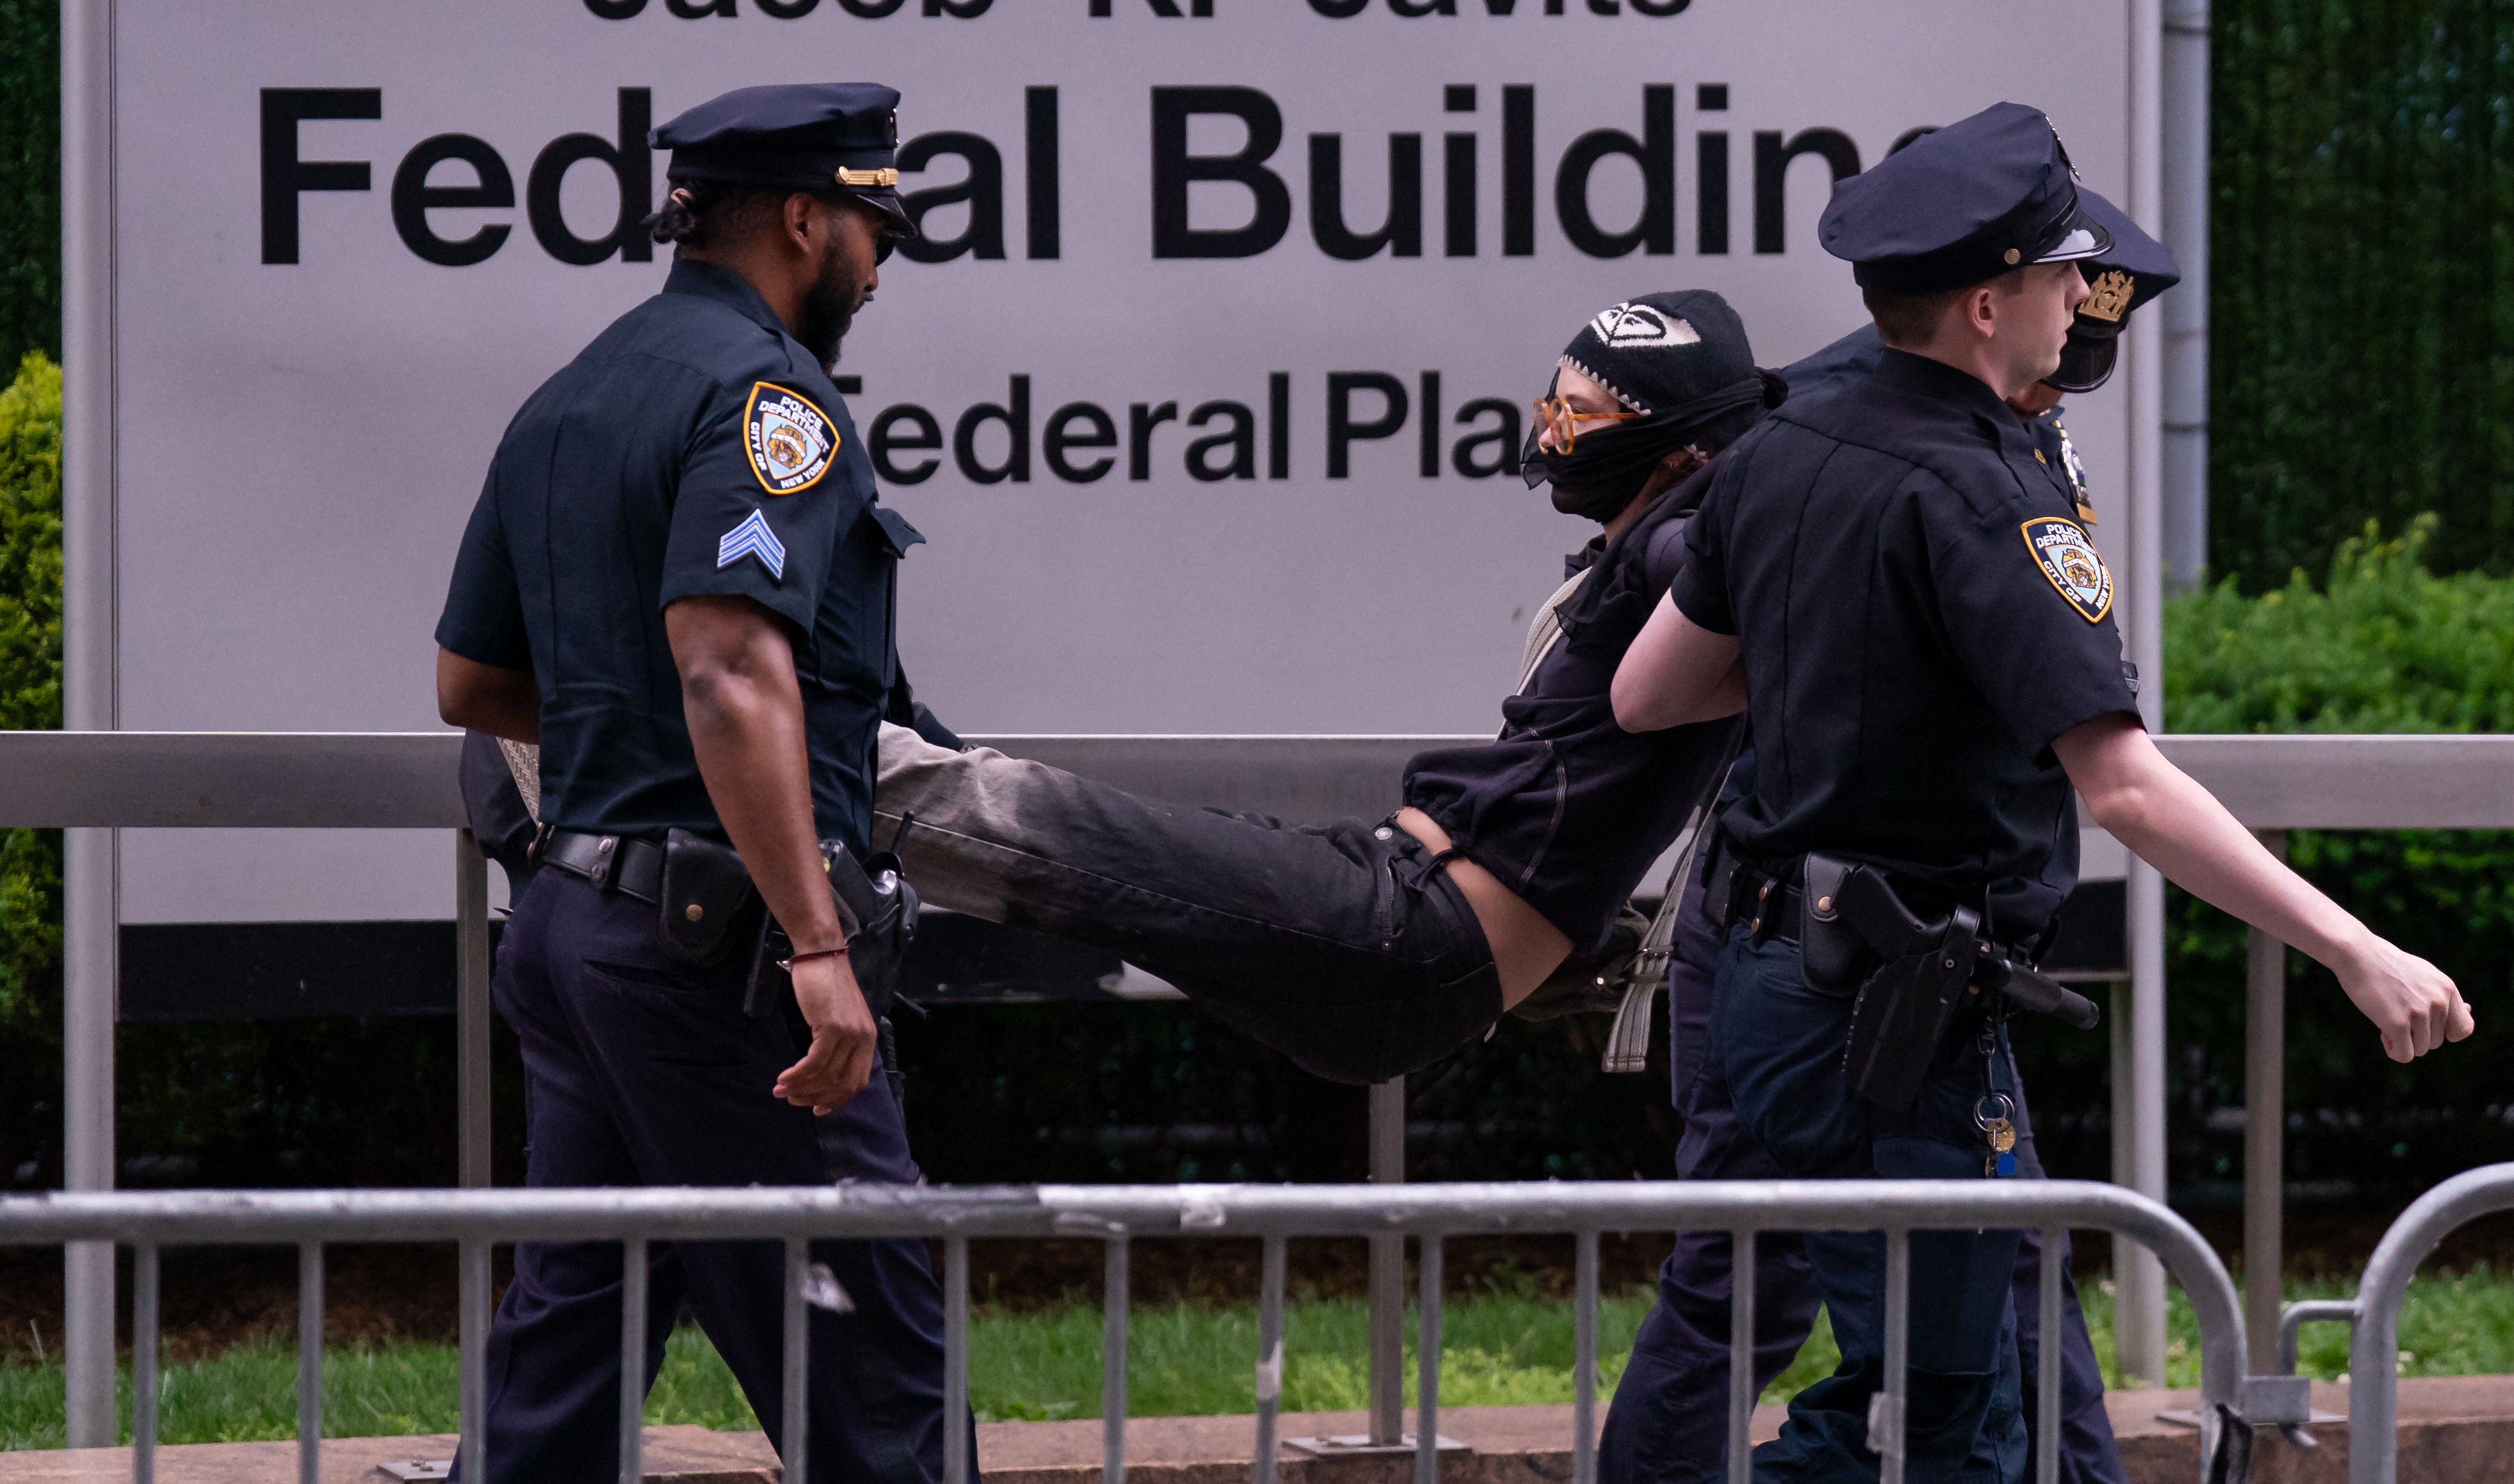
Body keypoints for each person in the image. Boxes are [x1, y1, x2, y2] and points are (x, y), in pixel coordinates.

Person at [1611, 102, 2471, 1483]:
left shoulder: (1779, 449)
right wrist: (2356, 949)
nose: (2082, 296)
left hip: (1774, 984)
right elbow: (2122, 787)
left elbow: (1651, 694)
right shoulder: (1983, 497)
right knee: (1945, 1421)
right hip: (1889, 1013)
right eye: (2063, 273)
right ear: (1984, 303)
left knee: (1941, 1389)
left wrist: (1860, 661)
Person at [1597, 189, 2177, 1484]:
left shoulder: (1986, 433)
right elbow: (1677, 631)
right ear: (1990, 307)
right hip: (1818, 946)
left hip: (1890, 961)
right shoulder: (1858, 430)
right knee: (1776, 1298)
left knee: (1994, 1302)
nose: (2057, 383)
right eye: (2062, 335)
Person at [432, 81, 962, 1483]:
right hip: (720, 960)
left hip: (575, 931)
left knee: (566, 1369)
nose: (879, 266)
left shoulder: (573, 393)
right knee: (879, 1379)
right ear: (803, 219)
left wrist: (644, 735)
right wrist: (817, 945)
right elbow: (729, 664)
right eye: (873, 229)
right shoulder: (768, 396)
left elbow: (471, 684)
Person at [869, 290, 1780, 1085]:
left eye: (1578, 420)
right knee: (1083, 851)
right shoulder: (1649, 550)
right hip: (1397, 902)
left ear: (1680, 454)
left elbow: (1739, 560)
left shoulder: (1682, 552)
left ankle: (824, 768)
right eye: (1551, 407)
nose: (1550, 437)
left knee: (1064, 833)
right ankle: (841, 773)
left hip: (1407, 941)